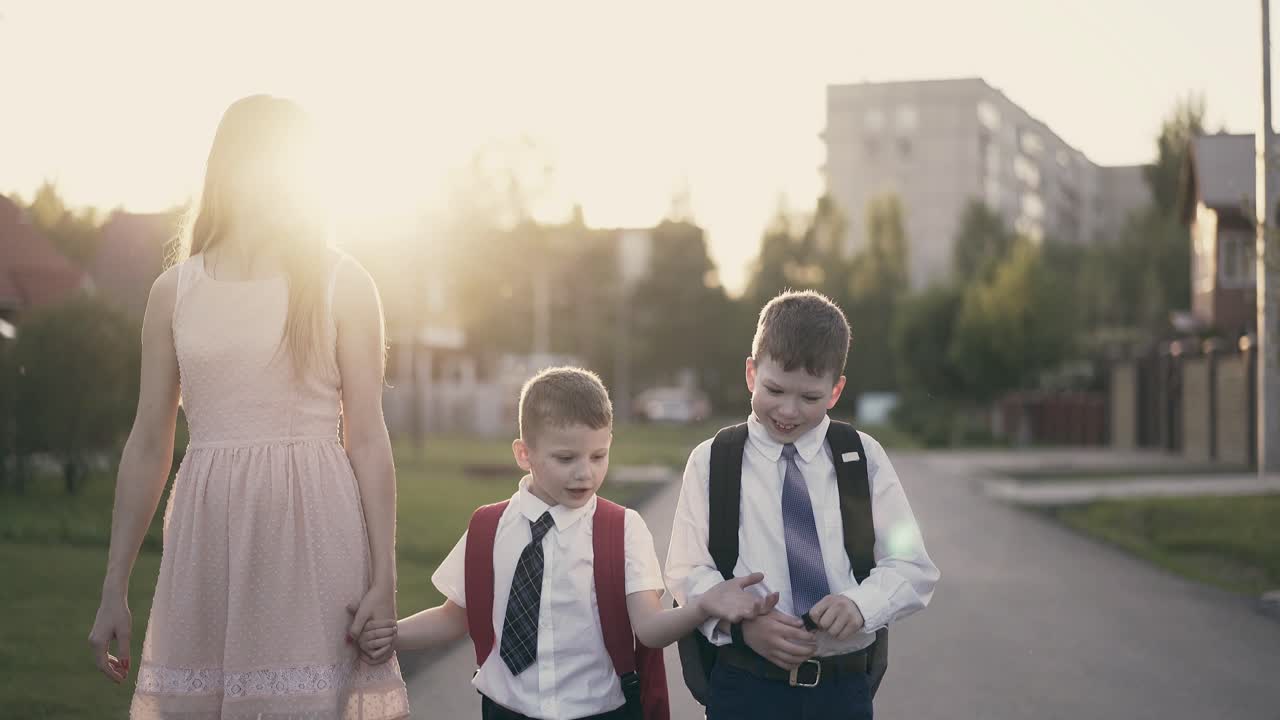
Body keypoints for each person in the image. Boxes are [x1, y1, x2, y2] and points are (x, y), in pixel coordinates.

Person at [87, 94, 410, 719]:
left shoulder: (344, 283)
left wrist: (385, 579)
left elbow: (366, 437)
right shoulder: (172, 292)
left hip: (315, 534)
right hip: (207, 538)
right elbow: (149, 442)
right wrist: (113, 586)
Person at [356, 366, 774, 720]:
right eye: (565, 458)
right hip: (505, 710)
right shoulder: (488, 527)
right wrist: (392, 635)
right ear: (524, 453)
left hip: (599, 711)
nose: (585, 474)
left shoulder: (623, 528)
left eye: (598, 456)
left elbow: (648, 629)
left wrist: (703, 605)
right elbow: (454, 616)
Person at [665, 289, 939, 719]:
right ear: (752, 373)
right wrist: (742, 625)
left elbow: (912, 566)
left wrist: (861, 604)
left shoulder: (860, 457)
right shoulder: (714, 459)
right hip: (744, 683)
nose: (788, 411)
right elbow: (686, 571)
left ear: (835, 390)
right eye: (775, 389)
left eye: (810, 397)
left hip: (841, 687)